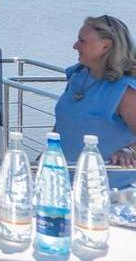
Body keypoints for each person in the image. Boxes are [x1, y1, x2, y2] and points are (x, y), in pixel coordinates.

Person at [53, 15, 136, 167]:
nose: (75, 46)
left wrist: (129, 151)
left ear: (105, 46)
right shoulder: (78, 75)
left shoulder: (125, 90)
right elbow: (63, 123)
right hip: (66, 175)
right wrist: (48, 152)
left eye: (82, 41)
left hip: (110, 180)